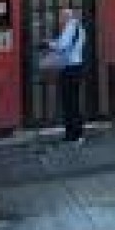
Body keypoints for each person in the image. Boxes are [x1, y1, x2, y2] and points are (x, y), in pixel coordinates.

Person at [46, 7, 88, 145]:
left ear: (66, 17)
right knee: (74, 101)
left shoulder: (70, 27)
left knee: (69, 103)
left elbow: (63, 45)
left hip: (69, 68)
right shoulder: (80, 29)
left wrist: (49, 44)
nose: (60, 20)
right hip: (77, 67)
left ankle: (72, 135)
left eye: (61, 17)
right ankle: (77, 134)